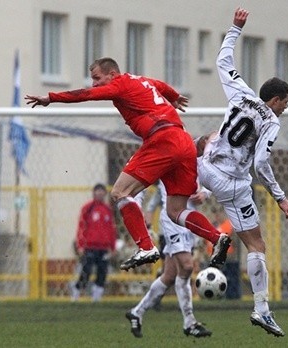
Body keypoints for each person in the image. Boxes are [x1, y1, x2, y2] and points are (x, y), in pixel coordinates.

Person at [25, 58, 231, 272]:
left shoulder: (119, 85)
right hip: (183, 140)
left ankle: (146, 247)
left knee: (119, 192)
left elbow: (86, 95)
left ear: (112, 73)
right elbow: (160, 85)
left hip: (162, 139)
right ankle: (217, 238)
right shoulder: (140, 80)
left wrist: (50, 98)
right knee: (176, 211)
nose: (94, 83)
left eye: (97, 78)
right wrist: (174, 97)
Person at [197, 8, 288, 337]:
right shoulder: (270, 120)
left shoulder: (240, 93)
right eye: (284, 102)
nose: (285, 108)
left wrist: (235, 28)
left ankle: (204, 220)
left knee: (188, 159)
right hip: (233, 184)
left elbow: (223, 62)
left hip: (205, 167)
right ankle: (262, 309)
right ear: (276, 99)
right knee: (256, 246)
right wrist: (280, 197)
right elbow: (261, 164)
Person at [126, 178, 212, 338]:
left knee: (169, 275)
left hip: (189, 220)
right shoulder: (169, 156)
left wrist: (205, 193)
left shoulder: (200, 157)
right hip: (172, 221)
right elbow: (143, 180)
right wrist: (138, 207)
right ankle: (189, 322)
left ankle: (136, 312)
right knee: (187, 267)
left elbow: (210, 178)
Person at [71, 183, 117, 302]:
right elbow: (81, 227)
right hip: (90, 246)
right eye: (98, 191)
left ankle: (96, 297)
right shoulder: (88, 208)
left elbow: (112, 230)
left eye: (102, 191)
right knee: (87, 270)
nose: (100, 193)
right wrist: (80, 245)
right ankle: (76, 292)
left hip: (104, 247)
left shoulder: (107, 209)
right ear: (94, 193)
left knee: (102, 271)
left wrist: (113, 247)